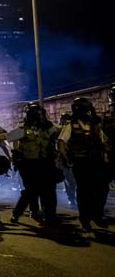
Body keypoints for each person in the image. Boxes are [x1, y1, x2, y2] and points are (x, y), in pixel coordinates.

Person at [58, 97, 110, 234]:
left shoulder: (94, 124)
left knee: (102, 188)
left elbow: (103, 141)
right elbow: (62, 142)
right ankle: (85, 220)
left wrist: (106, 154)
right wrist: (64, 157)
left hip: (96, 162)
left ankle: (97, 214)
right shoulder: (71, 125)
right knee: (84, 191)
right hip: (80, 163)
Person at [3, 103, 60, 225]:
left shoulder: (50, 128)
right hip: (29, 164)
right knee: (31, 191)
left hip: (46, 163)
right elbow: (7, 137)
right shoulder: (23, 130)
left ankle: (50, 215)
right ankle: (18, 213)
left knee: (49, 190)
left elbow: (63, 135)